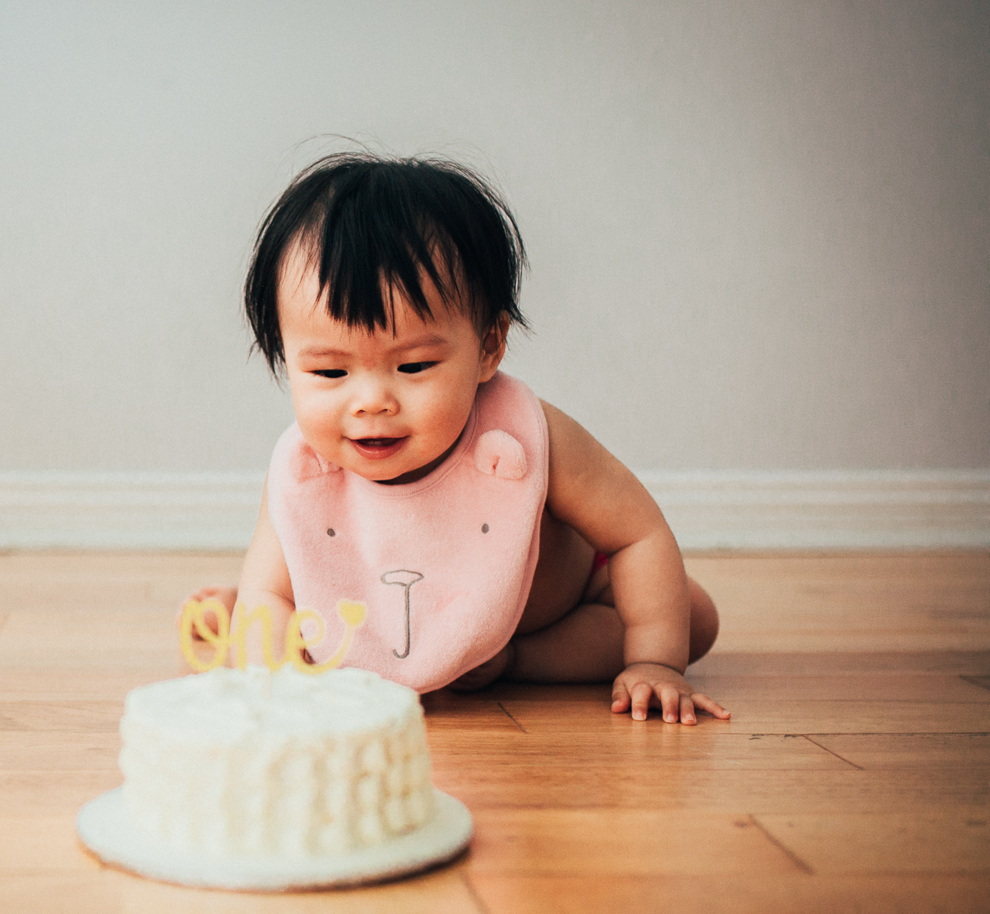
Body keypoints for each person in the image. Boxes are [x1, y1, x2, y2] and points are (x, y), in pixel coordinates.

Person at [186, 151, 727, 726]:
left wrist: (656, 660)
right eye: (329, 372)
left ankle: (515, 659)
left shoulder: (525, 435)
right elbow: (271, 592)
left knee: (693, 617)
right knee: (263, 620)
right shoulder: (305, 470)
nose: (371, 401)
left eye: (414, 366)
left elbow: (637, 533)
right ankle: (264, 622)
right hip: (382, 605)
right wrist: (269, 678)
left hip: (551, 611)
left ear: (489, 347)